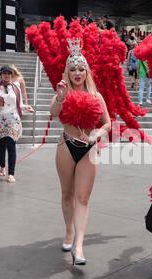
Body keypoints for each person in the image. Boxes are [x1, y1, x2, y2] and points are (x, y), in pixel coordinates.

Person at [49, 39, 111, 265]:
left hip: (89, 150)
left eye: (81, 68)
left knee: (83, 197)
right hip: (66, 146)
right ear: (67, 71)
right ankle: (69, 232)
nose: (77, 72)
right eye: (72, 68)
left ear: (87, 72)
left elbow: (108, 124)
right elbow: (53, 113)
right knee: (67, 194)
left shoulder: (96, 96)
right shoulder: (62, 92)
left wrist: (95, 136)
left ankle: (79, 245)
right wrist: (60, 96)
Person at [0, 65, 33, 183]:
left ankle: (11, 173)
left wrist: (26, 108)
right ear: (1, 75)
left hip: (13, 121)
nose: (7, 76)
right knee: (1, 145)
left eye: (9, 74)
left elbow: (19, 105)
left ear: (11, 75)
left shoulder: (16, 88)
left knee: (11, 145)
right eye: (4, 74)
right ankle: (2, 167)